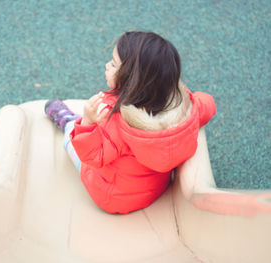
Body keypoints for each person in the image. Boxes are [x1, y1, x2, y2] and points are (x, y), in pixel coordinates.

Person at [45, 31, 216, 214]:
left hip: (112, 198)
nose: (106, 66)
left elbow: (92, 156)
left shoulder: (116, 122)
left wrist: (87, 122)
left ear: (132, 79)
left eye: (113, 64)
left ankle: (67, 120)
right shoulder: (185, 112)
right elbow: (208, 104)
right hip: (154, 189)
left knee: (72, 136)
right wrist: (191, 100)